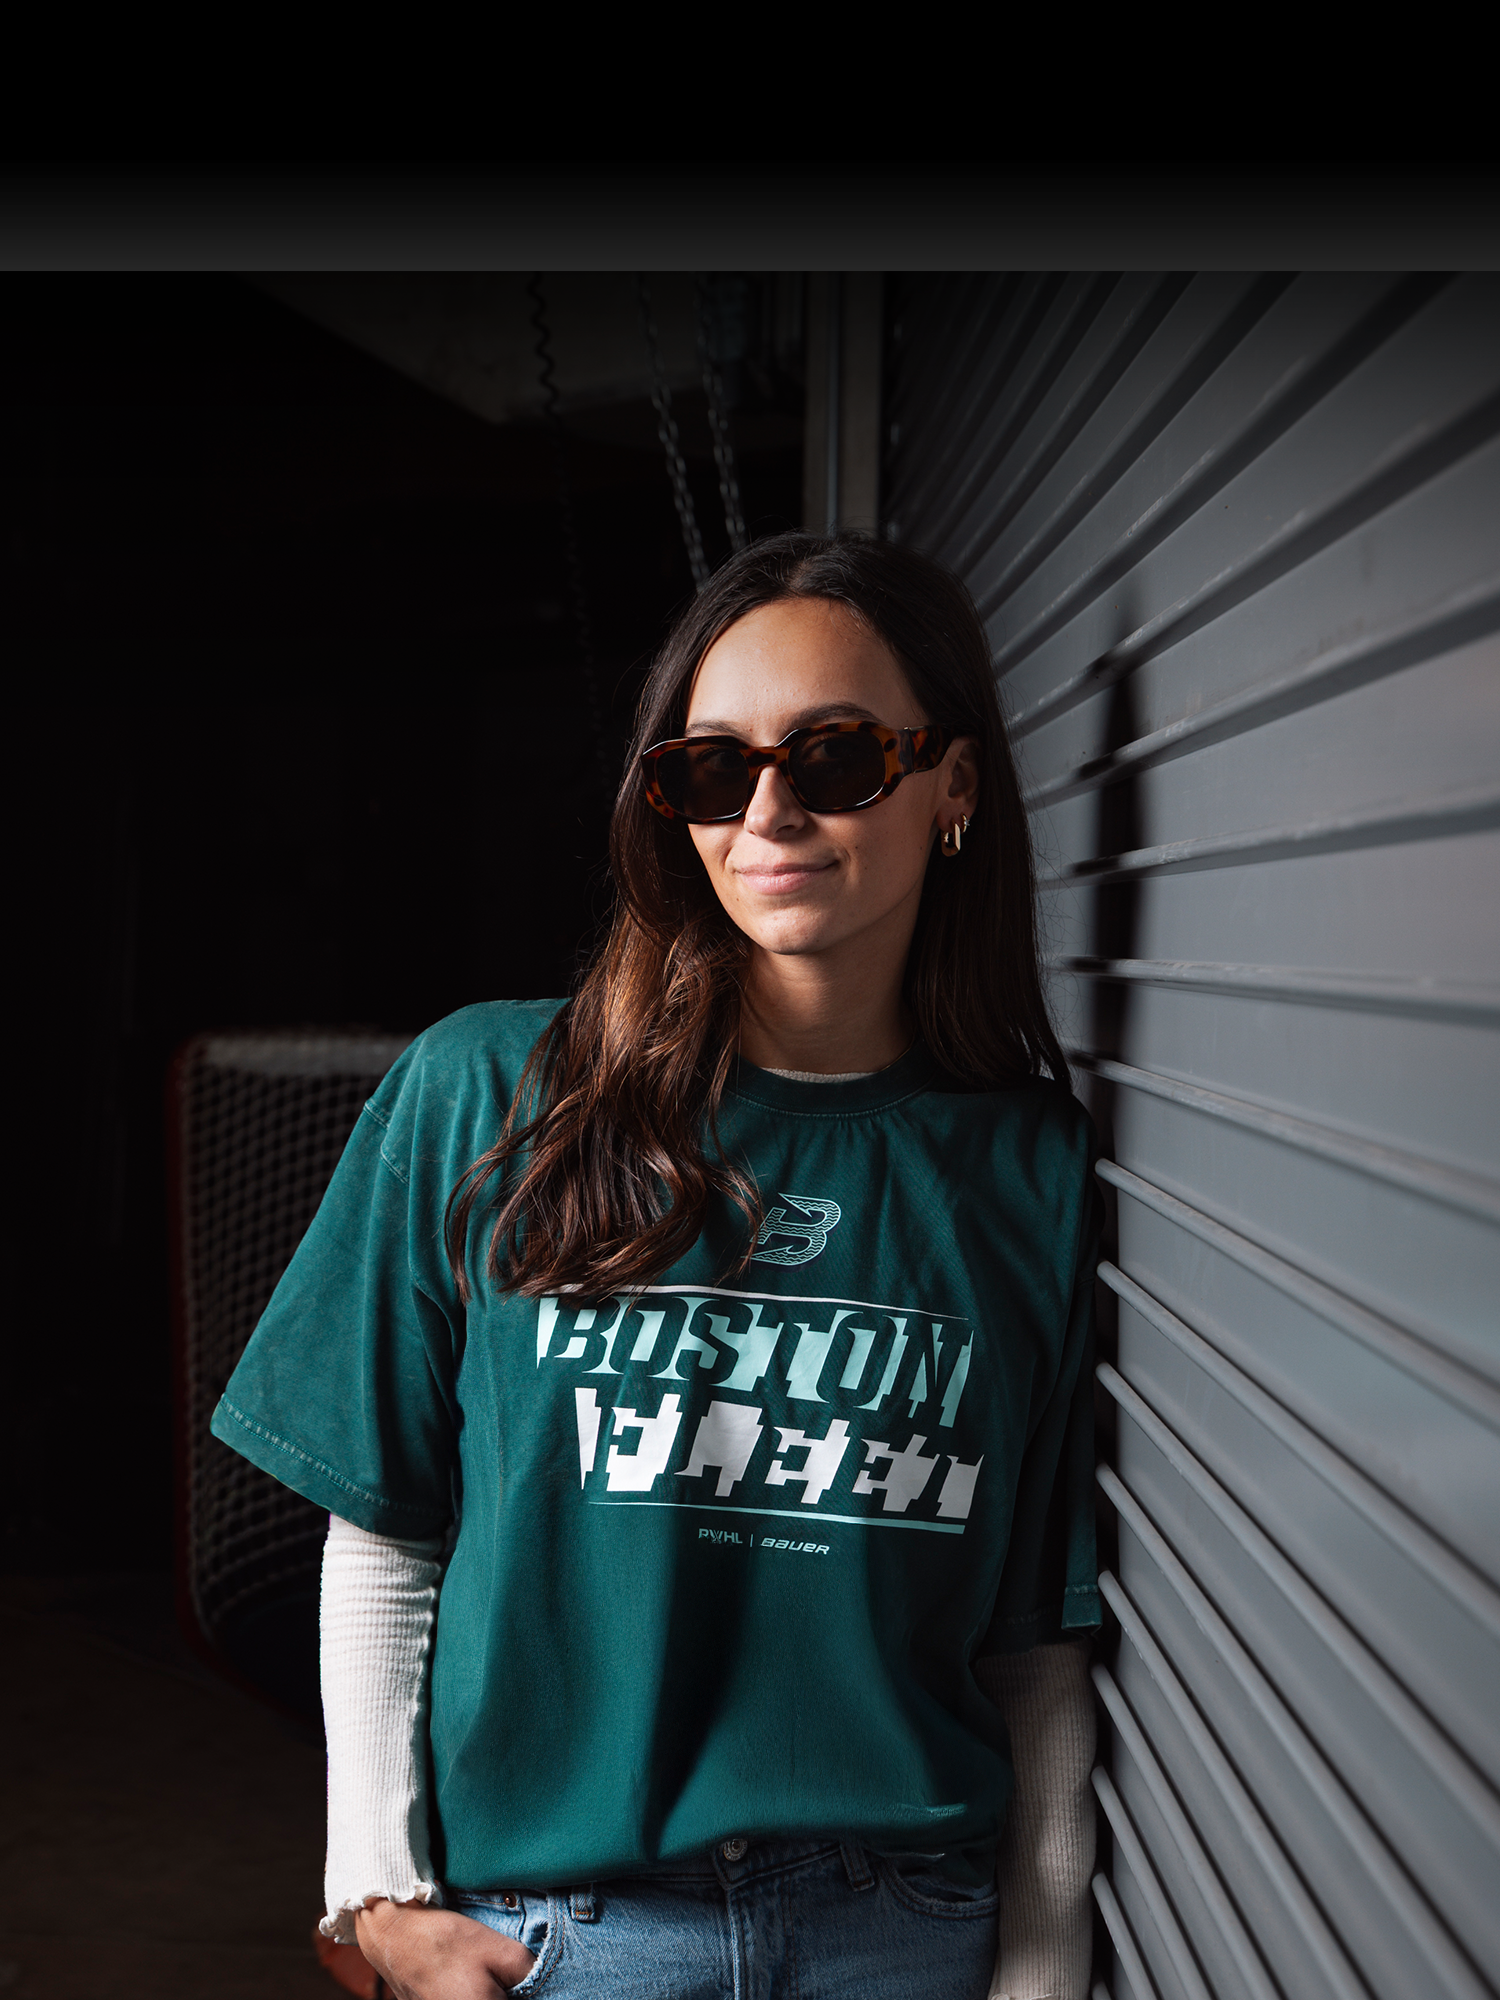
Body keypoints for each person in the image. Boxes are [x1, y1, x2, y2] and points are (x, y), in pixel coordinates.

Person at [213, 532, 1102, 2000]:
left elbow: (1036, 1643)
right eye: (710, 768)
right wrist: (372, 1894)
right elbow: (387, 1529)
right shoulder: (486, 1094)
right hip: (565, 1940)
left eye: (836, 757)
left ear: (955, 785)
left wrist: (1041, 1970)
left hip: (903, 1936)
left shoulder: (1032, 1172)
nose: (770, 812)